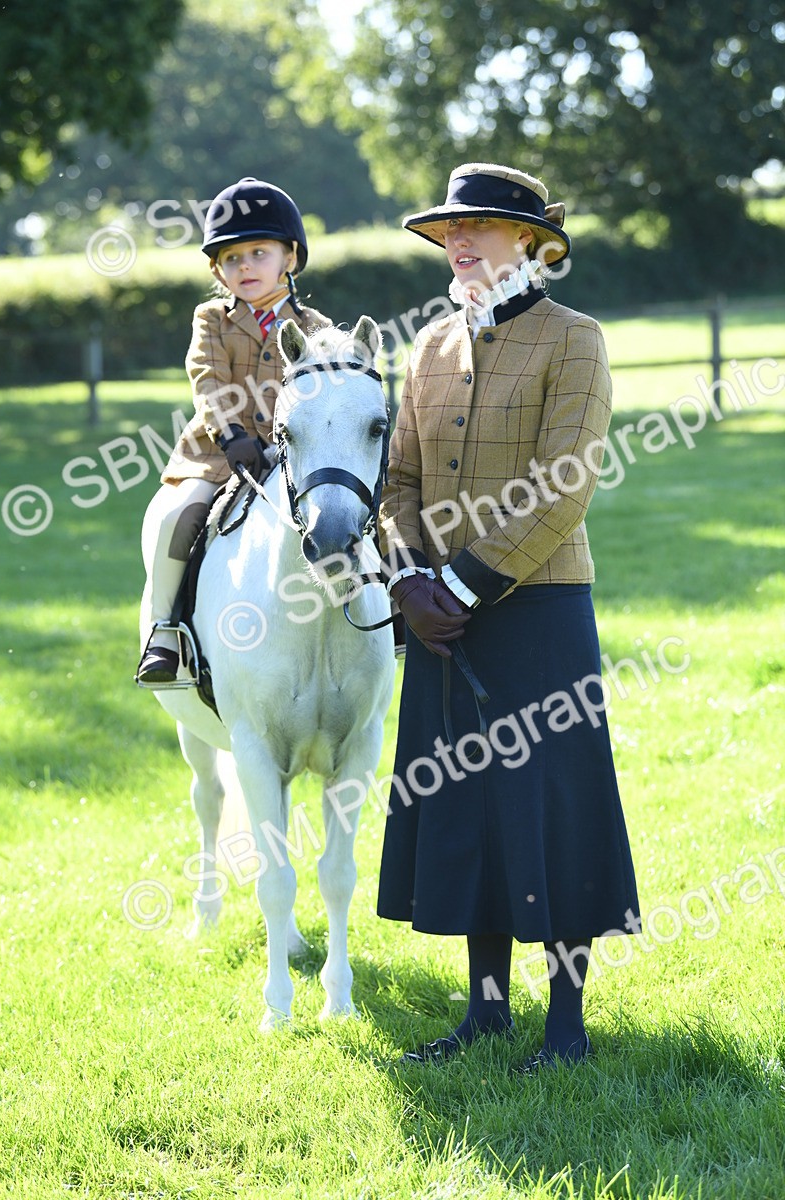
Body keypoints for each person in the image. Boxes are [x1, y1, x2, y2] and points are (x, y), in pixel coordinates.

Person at [377, 162, 640, 1070]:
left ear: (529, 240)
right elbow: (399, 482)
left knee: (552, 809)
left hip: (538, 609)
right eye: (449, 229)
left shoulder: (576, 339)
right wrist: (410, 581)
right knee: (465, 808)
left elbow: (566, 487)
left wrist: (458, 587)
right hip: (434, 614)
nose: (457, 240)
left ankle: (566, 1026)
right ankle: (485, 1012)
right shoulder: (427, 346)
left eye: (476, 226)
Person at [138, 177, 331, 683]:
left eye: (258, 253)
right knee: (177, 517)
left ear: (290, 256)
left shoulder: (315, 327)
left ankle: (381, 610)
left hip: (291, 458)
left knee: (349, 508)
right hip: (218, 454)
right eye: (231, 258)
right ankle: (163, 630)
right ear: (216, 269)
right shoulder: (211, 319)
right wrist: (230, 436)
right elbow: (207, 381)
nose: (244, 266)